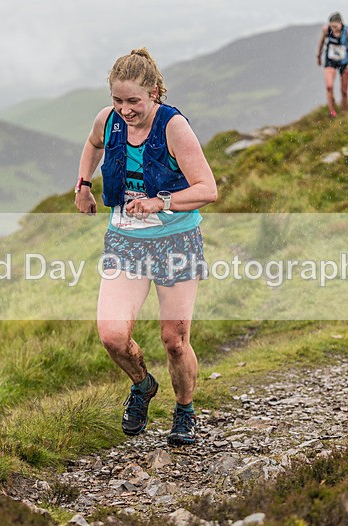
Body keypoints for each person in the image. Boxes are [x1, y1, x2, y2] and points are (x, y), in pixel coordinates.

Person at [74, 48, 217, 446]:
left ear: (154, 92)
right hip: (125, 240)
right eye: (118, 100)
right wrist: (83, 185)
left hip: (176, 241)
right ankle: (142, 384)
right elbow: (92, 144)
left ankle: (184, 410)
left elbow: (208, 189)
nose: (125, 109)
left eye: (133, 101)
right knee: (112, 336)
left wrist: (161, 201)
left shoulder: (174, 128)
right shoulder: (108, 121)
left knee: (174, 340)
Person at [316, 12, 348, 117]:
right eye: (332, 26)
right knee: (329, 86)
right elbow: (321, 42)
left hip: (344, 62)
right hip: (330, 61)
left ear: (341, 23)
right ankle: (332, 112)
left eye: (336, 26)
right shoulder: (326, 30)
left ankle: (344, 112)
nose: (334, 29)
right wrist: (318, 56)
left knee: (344, 91)